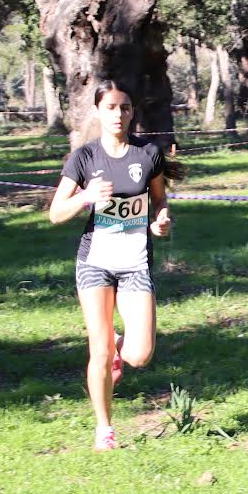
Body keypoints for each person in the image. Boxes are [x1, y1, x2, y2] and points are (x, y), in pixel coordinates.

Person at [48, 82, 176, 451]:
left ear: (132, 111)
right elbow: (56, 213)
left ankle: (120, 346)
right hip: (96, 261)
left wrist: (161, 221)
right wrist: (86, 196)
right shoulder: (84, 158)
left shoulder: (148, 154)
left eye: (125, 107)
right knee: (99, 350)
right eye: (110, 107)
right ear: (98, 111)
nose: (118, 114)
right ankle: (104, 429)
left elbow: (159, 200)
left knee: (139, 355)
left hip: (135, 262)